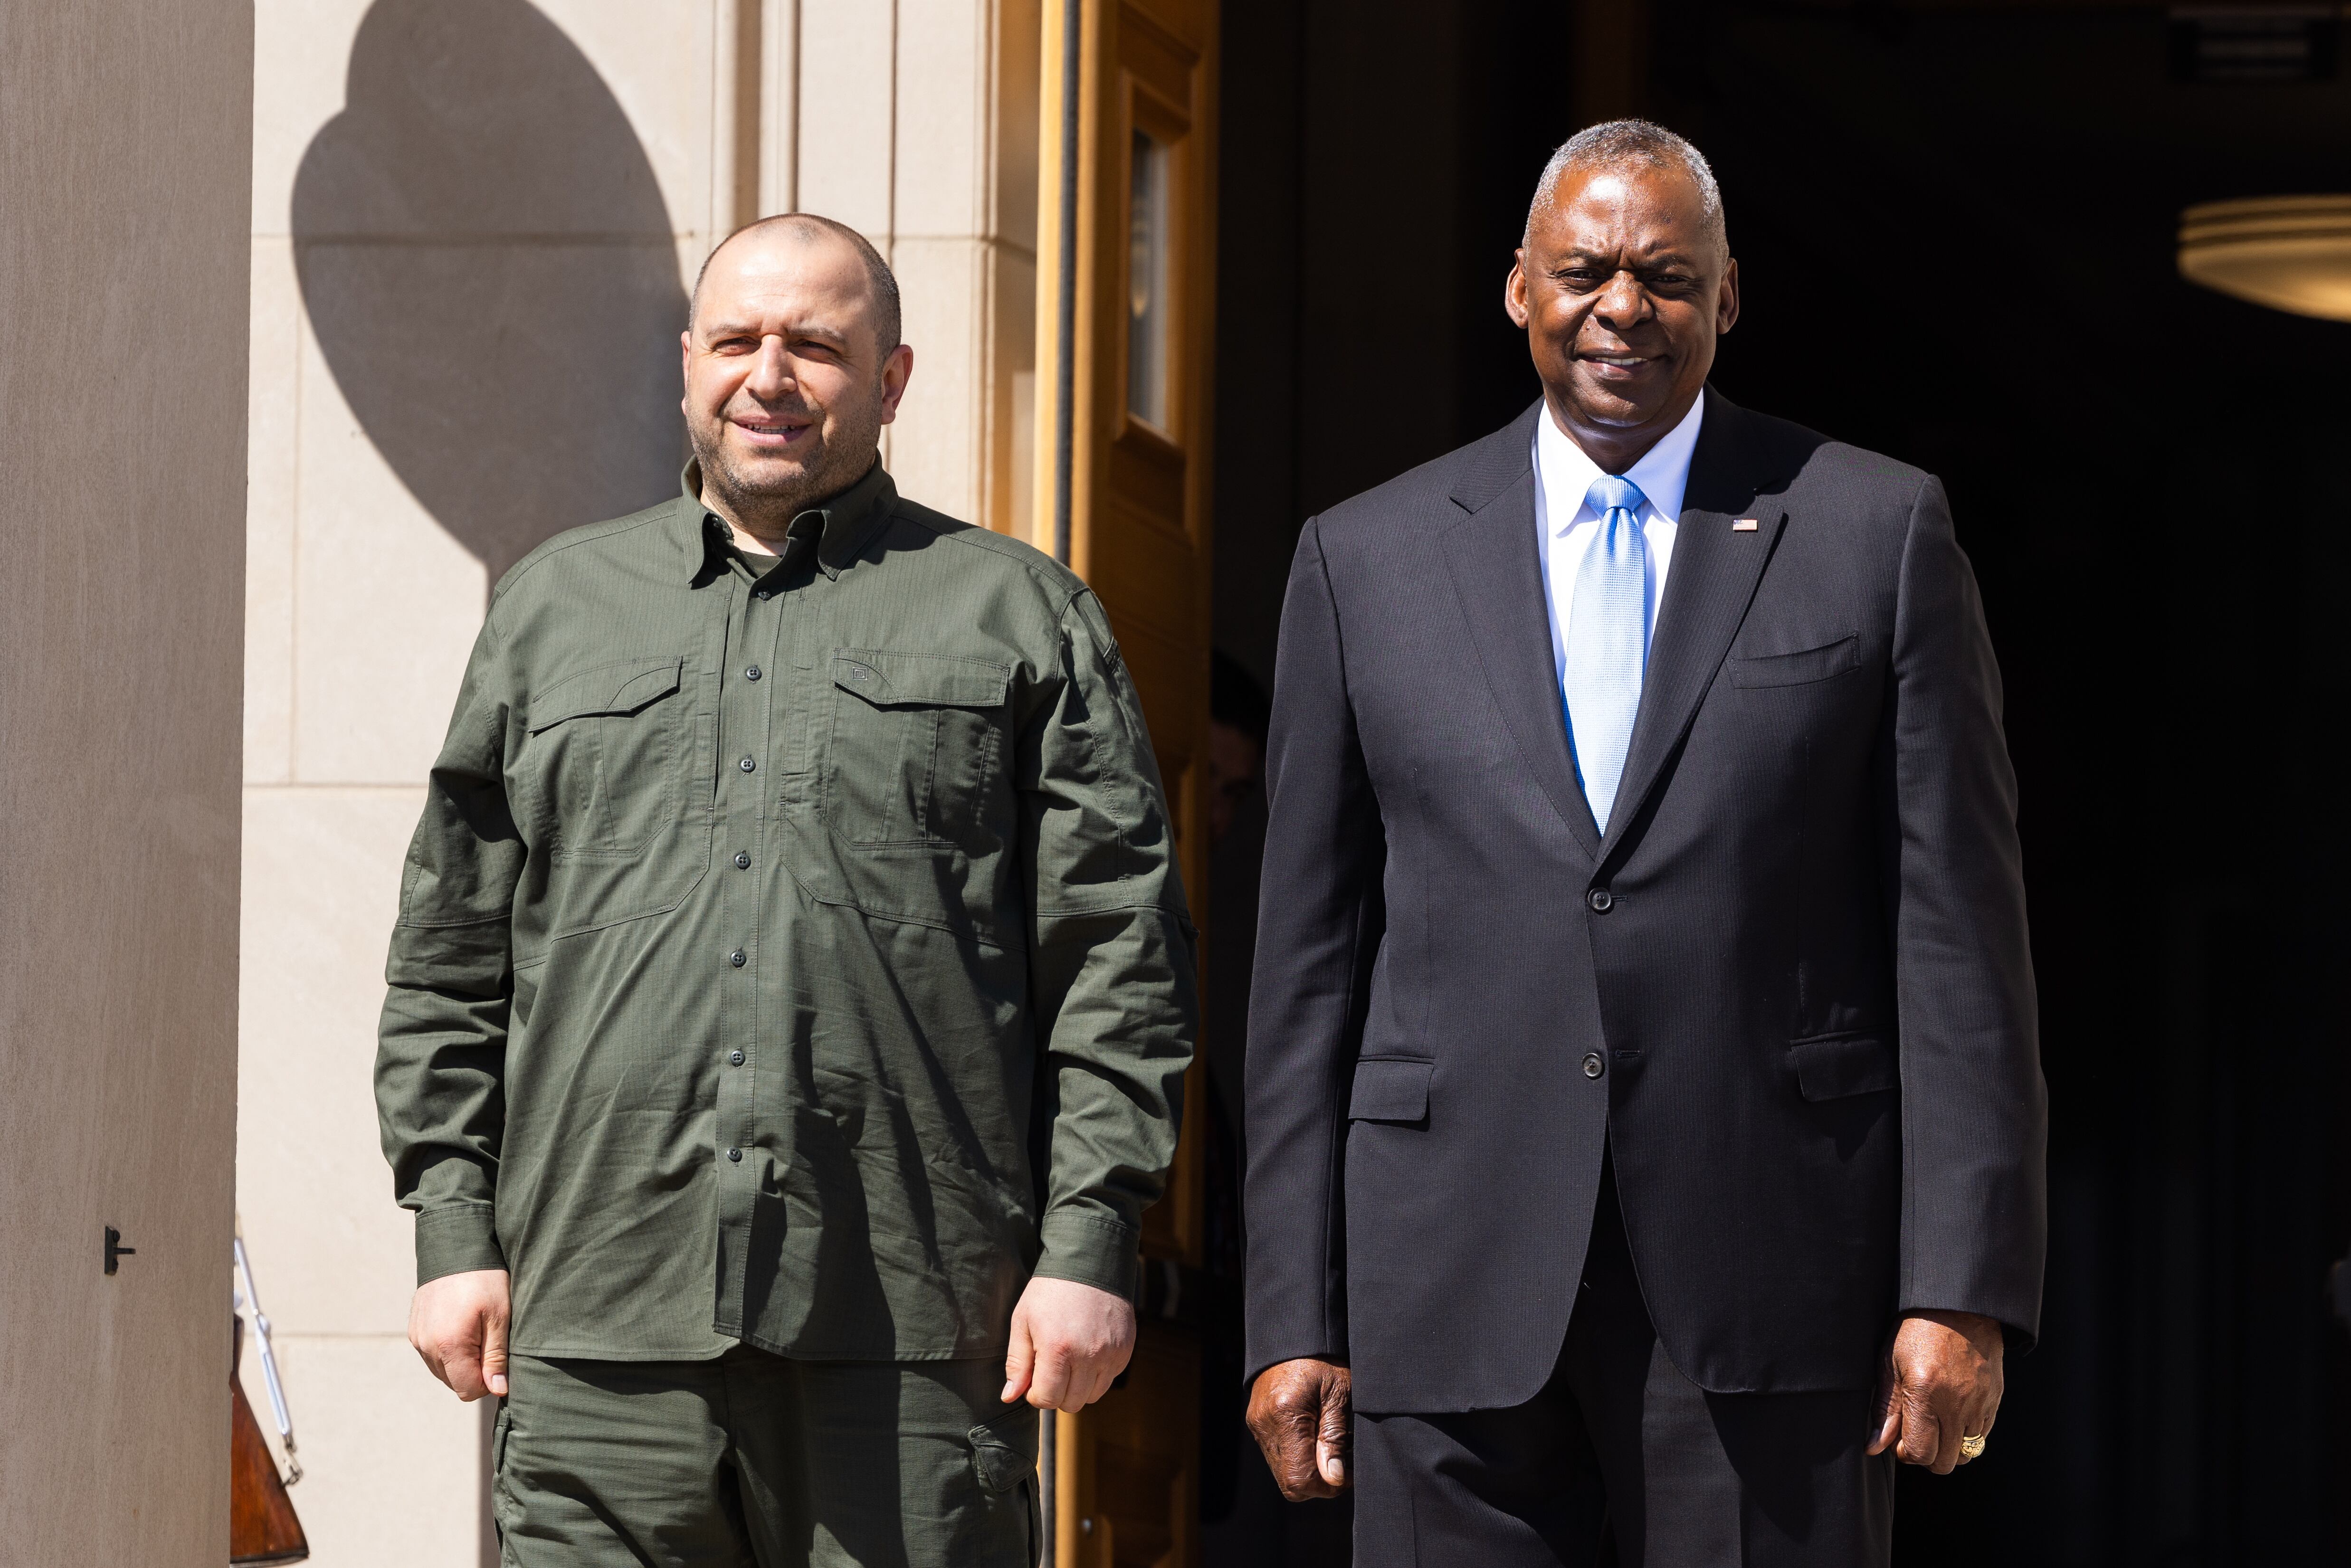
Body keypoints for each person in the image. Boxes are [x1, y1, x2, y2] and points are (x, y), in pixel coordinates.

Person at [1242, 121, 2045, 1567]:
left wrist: (1962, 1285)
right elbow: (1309, 965)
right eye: (1587, 271)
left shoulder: (1873, 529)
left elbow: (1959, 943)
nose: (1625, 307)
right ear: (1518, 290)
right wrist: (1292, 1307)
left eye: (1668, 278)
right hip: (1448, 1268)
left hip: (1774, 1269)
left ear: (1726, 302)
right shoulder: (1364, 560)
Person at [375, 212, 1197, 1566]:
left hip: (917, 1336)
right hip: (596, 1318)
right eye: (741, 340)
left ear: (891, 380)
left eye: (817, 344)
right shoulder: (552, 614)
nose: (772, 373)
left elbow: (1119, 962)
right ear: (687, 364)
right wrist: (453, 1224)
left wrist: (1090, 1242)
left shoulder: (1017, 617)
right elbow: (453, 950)